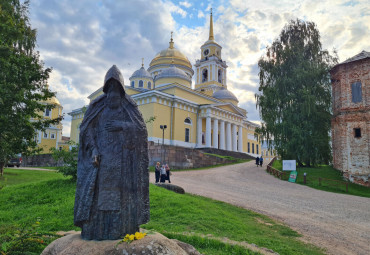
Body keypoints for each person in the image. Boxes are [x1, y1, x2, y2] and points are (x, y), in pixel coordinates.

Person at [74, 65, 149, 240]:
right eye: (110, 93)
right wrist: (93, 149)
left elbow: (140, 130)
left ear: (121, 93)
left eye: (116, 94)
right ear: (106, 91)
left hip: (123, 162)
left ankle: (121, 230)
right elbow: (87, 130)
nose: (112, 98)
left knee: (121, 197)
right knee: (99, 196)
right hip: (102, 160)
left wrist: (122, 125)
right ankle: (96, 231)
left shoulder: (128, 106)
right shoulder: (97, 105)